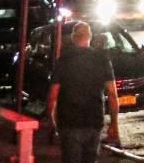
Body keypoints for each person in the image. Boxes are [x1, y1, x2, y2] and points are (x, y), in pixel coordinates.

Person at [48, 21, 119, 163]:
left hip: (69, 122)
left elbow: (53, 96)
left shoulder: (63, 61)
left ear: (74, 37)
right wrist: (114, 124)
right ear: (90, 37)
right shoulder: (102, 60)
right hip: (94, 121)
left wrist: (53, 123)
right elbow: (112, 94)